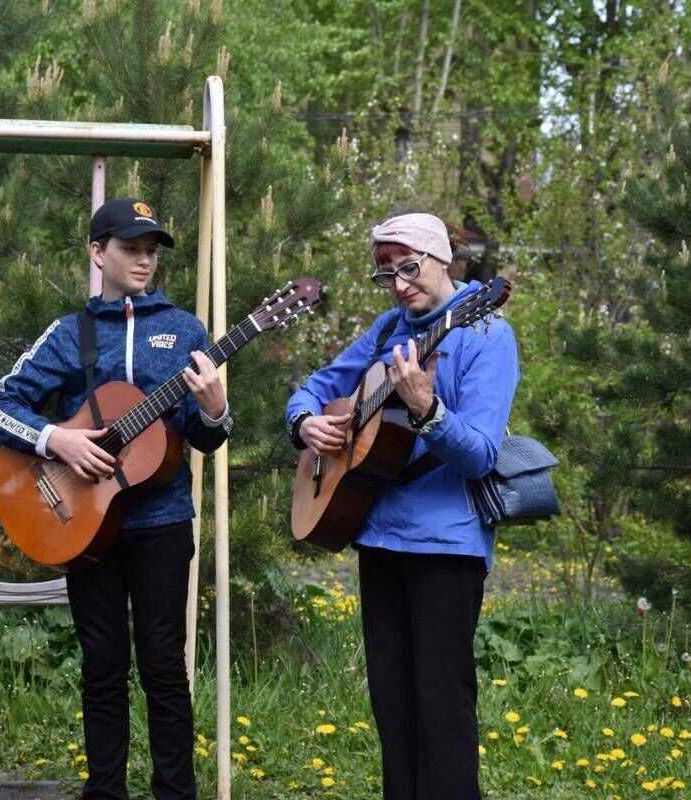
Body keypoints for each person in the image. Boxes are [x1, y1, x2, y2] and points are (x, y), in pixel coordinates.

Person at [0, 197, 232, 800]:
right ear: (99, 253)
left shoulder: (188, 330)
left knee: (165, 668)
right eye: (130, 249)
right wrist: (56, 440)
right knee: (102, 666)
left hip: (163, 522)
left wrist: (215, 408)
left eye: (151, 251)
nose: (144, 260)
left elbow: (203, 438)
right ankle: (105, 792)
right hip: (80, 523)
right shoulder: (72, 332)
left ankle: (176, 793)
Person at [285, 212, 518, 800]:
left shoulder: (485, 333)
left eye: (409, 268)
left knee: (441, 703)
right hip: (379, 537)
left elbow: (482, 455)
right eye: (386, 274)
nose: (400, 285)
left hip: (446, 545)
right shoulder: (390, 326)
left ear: (442, 259)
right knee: (392, 704)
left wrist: (427, 411)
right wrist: (306, 422)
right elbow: (315, 385)